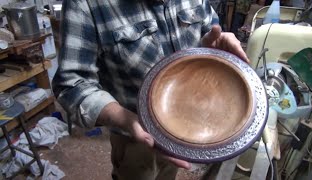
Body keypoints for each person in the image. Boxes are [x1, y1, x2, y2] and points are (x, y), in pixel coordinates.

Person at [53, 0, 249, 179]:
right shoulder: (86, 4)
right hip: (135, 137)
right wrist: (125, 119)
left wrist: (212, 45)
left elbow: (208, 27)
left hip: (185, 129)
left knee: (168, 174)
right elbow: (71, 84)